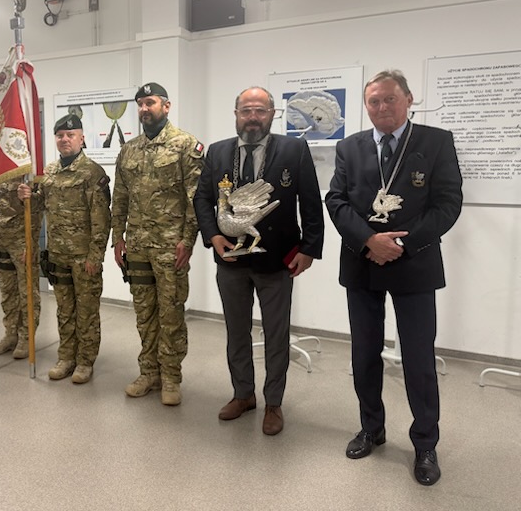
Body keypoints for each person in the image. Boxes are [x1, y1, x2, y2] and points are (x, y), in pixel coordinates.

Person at [325, 69, 463, 486]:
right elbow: (336, 199)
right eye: (374, 101)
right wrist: (369, 240)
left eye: (390, 99)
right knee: (364, 353)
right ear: (365, 105)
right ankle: (371, 428)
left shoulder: (436, 142)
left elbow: (448, 203)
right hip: (362, 261)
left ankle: (425, 443)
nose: (382, 107)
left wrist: (401, 244)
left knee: (418, 359)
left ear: (408, 100)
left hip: (414, 262)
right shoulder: (349, 146)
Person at [194, 86, 324, 435]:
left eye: (260, 111)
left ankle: (274, 403)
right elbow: (202, 199)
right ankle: (243, 395)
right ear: (236, 114)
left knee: (276, 335)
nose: (253, 117)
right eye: (246, 111)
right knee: (236, 331)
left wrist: (309, 249)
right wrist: (213, 235)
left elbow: (311, 201)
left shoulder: (293, 149)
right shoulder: (218, 152)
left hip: (278, 260)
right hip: (231, 260)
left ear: (272, 114)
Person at [111, 82, 204, 406]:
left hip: (169, 246)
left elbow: (196, 199)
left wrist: (187, 241)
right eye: (140, 103)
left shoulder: (185, 145)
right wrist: (117, 238)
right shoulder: (129, 150)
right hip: (137, 245)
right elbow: (120, 197)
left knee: (171, 313)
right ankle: (149, 372)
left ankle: (171, 377)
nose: (144, 108)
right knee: (144, 313)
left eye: (149, 102)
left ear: (166, 106)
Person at [18, 114, 111, 384]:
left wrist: (96, 256)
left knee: (86, 312)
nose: (65, 139)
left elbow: (101, 218)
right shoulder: (49, 172)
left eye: (70, 135)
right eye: (60, 136)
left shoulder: (92, 173)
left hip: (84, 258)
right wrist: (26, 197)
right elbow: (39, 206)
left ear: (81, 138)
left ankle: (85, 361)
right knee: (64, 310)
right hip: (58, 255)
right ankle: (66, 357)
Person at [0, 178, 43, 360]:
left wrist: (31, 243)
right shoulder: (0, 173)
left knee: (27, 292)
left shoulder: (31, 174)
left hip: (21, 243)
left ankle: (26, 337)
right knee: (8, 292)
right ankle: (11, 334)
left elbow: (38, 211)